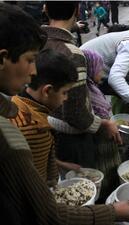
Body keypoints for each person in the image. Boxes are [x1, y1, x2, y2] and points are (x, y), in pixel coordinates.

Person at [0, 3, 129, 224]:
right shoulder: (16, 134)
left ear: (46, 10)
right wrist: (112, 212)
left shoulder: (21, 110)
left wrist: (58, 166)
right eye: (30, 60)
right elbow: (47, 212)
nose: (33, 72)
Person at [42, 1, 121, 170]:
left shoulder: (38, 43)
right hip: (73, 140)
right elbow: (76, 113)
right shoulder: (73, 54)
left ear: (46, 10)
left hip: (46, 130)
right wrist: (103, 124)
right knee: (84, 181)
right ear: (77, 11)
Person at [10, 49, 80, 187]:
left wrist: (60, 164)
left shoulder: (19, 102)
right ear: (47, 91)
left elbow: (34, 158)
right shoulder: (33, 128)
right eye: (64, 92)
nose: (66, 98)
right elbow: (33, 182)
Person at [82, 49, 121, 202]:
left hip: (103, 137)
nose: (101, 73)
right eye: (99, 69)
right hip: (99, 143)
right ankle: (106, 198)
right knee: (104, 172)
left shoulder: (91, 87)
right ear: (90, 70)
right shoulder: (87, 92)